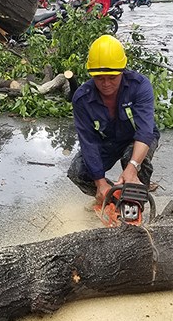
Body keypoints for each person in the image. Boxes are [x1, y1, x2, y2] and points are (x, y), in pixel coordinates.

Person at [67, 35, 160, 204]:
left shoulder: (140, 86)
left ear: (122, 71)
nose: (106, 83)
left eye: (112, 78)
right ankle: (110, 199)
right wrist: (100, 183)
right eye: (100, 78)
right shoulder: (82, 98)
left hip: (137, 138)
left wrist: (132, 166)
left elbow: (145, 132)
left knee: (133, 160)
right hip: (108, 140)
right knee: (78, 171)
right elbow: (88, 142)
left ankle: (136, 202)